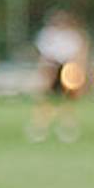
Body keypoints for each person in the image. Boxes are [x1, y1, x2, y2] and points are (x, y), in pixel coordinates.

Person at [30, 9, 86, 142]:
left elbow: (78, 55)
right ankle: (40, 127)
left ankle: (67, 127)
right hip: (51, 68)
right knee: (46, 100)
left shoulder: (72, 36)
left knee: (67, 100)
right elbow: (44, 55)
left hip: (67, 68)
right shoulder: (48, 35)